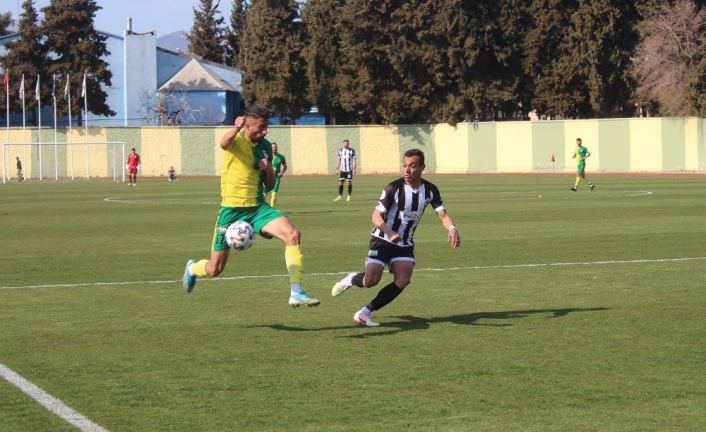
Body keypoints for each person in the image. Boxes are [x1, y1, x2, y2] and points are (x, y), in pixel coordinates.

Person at [182, 106, 319, 307]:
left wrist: (268, 170)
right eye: (261, 127)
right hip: (231, 210)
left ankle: (296, 292)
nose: (265, 132)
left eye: (266, 127)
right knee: (214, 269)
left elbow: (270, 185)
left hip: (257, 208)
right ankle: (193, 269)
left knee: (293, 235)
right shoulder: (236, 140)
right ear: (247, 125)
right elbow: (223, 143)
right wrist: (235, 128)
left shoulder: (264, 146)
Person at [331, 149, 461, 326]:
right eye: (405, 165)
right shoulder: (393, 188)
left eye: (412, 166)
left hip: (404, 243)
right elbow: (376, 216)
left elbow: (443, 215)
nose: (407, 170)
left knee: (403, 279)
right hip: (382, 239)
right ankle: (352, 279)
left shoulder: (430, 190)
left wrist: (452, 228)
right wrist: (389, 232)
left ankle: (365, 312)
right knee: (371, 281)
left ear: (422, 167)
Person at [263, 142, 287, 208]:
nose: (274, 148)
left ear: (277, 148)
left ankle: (272, 209)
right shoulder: (267, 157)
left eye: (275, 147)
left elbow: (285, 166)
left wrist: (281, 173)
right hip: (268, 178)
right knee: (263, 195)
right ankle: (262, 209)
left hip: (276, 178)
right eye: (273, 147)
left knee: (274, 194)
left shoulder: (281, 157)